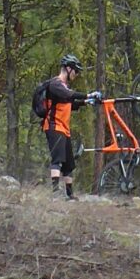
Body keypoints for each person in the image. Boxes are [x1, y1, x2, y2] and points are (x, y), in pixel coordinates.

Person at [33, 53, 82, 199]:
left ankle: (70, 194)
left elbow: (71, 103)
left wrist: (88, 101)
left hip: (64, 129)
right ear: (68, 69)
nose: (77, 74)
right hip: (54, 126)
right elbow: (70, 95)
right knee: (57, 160)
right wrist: (88, 95)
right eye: (76, 71)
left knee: (68, 164)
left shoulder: (64, 87)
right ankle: (55, 192)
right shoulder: (56, 84)